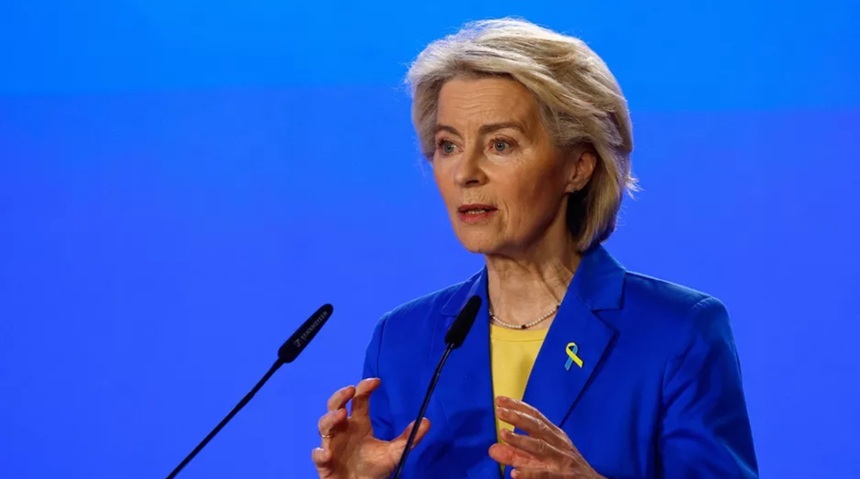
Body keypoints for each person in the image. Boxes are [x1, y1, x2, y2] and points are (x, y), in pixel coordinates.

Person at [311, 18, 758, 479]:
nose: (466, 173)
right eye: (448, 145)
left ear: (577, 167)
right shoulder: (402, 340)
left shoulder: (676, 332)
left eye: (500, 144)